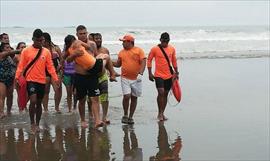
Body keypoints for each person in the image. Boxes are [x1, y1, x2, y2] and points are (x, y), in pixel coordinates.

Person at [15, 29, 60, 133]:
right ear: (33, 39)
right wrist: (17, 78)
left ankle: (37, 124)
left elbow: (50, 67)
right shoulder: (26, 51)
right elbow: (21, 66)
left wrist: (56, 78)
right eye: (38, 40)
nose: (41, 42)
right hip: (30, 80)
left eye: (42, 40)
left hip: (41, 81)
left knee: (39, 103)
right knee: (33, 100)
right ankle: (32, 124)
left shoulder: (46, 52)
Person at [65, 34, 114, 128]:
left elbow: (92, 52)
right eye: (81, 34)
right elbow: (67, 60)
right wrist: (74, 54)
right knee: (82, 100)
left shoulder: (90, 44)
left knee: (95, 99)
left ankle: (97, 120)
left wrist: (84, 46)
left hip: (92, 76)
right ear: (77, 35)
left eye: (84, 33)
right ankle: (83, 120)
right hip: (80, 77)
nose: (83, 35)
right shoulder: (71, 49)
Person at [113, 34, 146, 124]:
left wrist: (141, 73)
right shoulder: (121, 52)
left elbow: (143, 62)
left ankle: (131, 117)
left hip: (137, 79)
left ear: (130, 42)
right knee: (127, 96)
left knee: (134, 97)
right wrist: (109, 62)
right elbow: (118, 64)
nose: (122, 43)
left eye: (124, 41)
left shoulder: (139, 50)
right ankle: (125, 114)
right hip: (125, 78)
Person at [147, 32, 179, 121]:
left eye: (167, 41)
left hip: (169, 75)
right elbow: (149, 60)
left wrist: (176, 72)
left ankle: (162, 113)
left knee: (165, 94)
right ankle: (160, 113)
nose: (165, 43)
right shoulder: (155, 49)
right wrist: (149, 73)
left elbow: (174, 61)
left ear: (169, 41)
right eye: (163, 41)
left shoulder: (172, 49)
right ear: (160, 40)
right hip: (158, 75)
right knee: (161, 92)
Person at [93, 33, 113, 124]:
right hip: (92, 78)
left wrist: (111, 72)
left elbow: (109, 63)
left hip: (103, 76)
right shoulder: (90, 50)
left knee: (105, 97)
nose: (98, 40)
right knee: (91, 99)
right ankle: (93, 116)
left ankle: (104, 116)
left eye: (100, 38)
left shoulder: (105, 50)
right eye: (96, 38)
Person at [42, 32, 63, 113]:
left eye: (44, 40)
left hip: (55, 70)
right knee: (45, 91)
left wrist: (60, 66)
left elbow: (61, 59)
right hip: (44, 72)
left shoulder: (56, 48)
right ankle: (46, 109)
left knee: (58, 89)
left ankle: (57, 107)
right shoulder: (41, 49)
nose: (42, 42)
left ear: (47, 40)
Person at [0, 43, 20, 118]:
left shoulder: (10, 57)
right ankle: (1, 112)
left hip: (10, 79)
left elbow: (14, 67)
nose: (8, 49)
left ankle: (8, 111)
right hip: (2, 79)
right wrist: (21, 50)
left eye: (9, 47)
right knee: (2, 97)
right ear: (2, 49)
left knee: (10, 96)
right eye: (6, 47)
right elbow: (10, 52)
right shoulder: (1, 54)